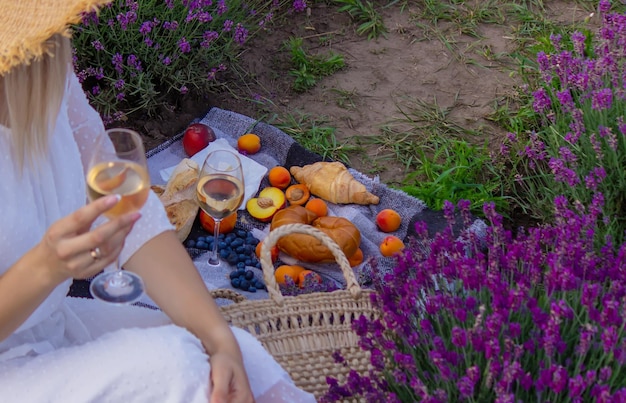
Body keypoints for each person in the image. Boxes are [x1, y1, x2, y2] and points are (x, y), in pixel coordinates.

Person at [0, 1, 316, 402]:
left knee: (231, 354)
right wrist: (43, 268)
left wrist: (218, 338)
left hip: (50, 329)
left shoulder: (39, 68)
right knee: (174, 364)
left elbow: (127, 209)